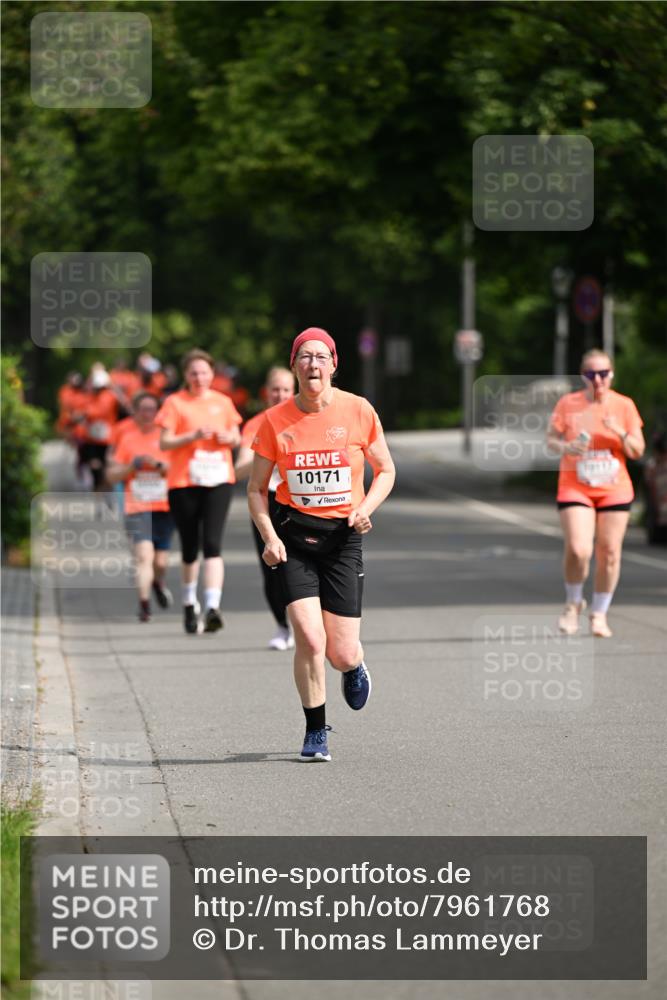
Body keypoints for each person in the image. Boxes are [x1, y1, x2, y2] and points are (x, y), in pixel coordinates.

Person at [248, 327, 395, 761]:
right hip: (294, 539)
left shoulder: (358, 410)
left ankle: (353, 665)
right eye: (304, 357)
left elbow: (385, 470)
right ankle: (316, 731)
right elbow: (256, 489)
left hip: (343, 539)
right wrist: (270, 537)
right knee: (310, 640)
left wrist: (366, 506)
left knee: (340, 650)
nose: (313, 364)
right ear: (294, 366)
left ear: (334, 364)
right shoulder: (275, 421)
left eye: (320, 356)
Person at [547, 349, 645, 638]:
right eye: (591, 374)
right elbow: (551, 440)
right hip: (575, 485)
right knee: (579, 549)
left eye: (603, 373)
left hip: (614, 488)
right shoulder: (569, 404)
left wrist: (618, 432)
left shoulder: (624, 406)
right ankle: (572, 602)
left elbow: (638, 450)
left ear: (611, 374)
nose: (598, 380)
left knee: (610, 553)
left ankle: (600, 612)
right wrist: (566, 447)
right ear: (583, 376)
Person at [157, 349, 242, 634]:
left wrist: (227, 437)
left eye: (204, 372)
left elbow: (236, 437)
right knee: (191, 547)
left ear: (212, 374)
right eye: (194, 372)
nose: (199, 377)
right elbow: (165, 442)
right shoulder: (175, 402)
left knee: (213, 545)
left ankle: (213, 606)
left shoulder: (223, 402)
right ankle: (189, 602)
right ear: (186, 375)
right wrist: (191, 436)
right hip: (184, 482)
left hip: (218, 478)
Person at [235, 367, 296, 650]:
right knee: (271, 566)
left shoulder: (304, 418)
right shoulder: (255, 424)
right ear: (266, 392)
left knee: (302, 565)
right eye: (275, 389)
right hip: (266, 500)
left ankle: (307, 624)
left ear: (293, 390)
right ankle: (283, 626)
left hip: (300, 500)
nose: (280, 395)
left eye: (285, 389)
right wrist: (265, 455)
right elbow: (237, 470)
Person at [107, 393, 174, 622]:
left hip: (165, 506)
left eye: (152, 409)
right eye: (143, 409)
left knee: (160, 562)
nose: (147, 414)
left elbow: (179, 470)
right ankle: (144, 606)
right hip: (137, 506)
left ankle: (157, 581)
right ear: (134, 411)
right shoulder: (127, 438)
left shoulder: (166, 438)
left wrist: (158, 465)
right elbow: (111, 474)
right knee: (144, 556)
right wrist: (131, 468)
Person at [80, 367, 120, 492]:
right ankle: (98, 488)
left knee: (105, 465)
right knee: (94, 466)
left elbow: (98, 412)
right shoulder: (89, 397)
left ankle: (106, 487)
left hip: (107, 438)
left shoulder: (110, 396)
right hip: (92, 438)